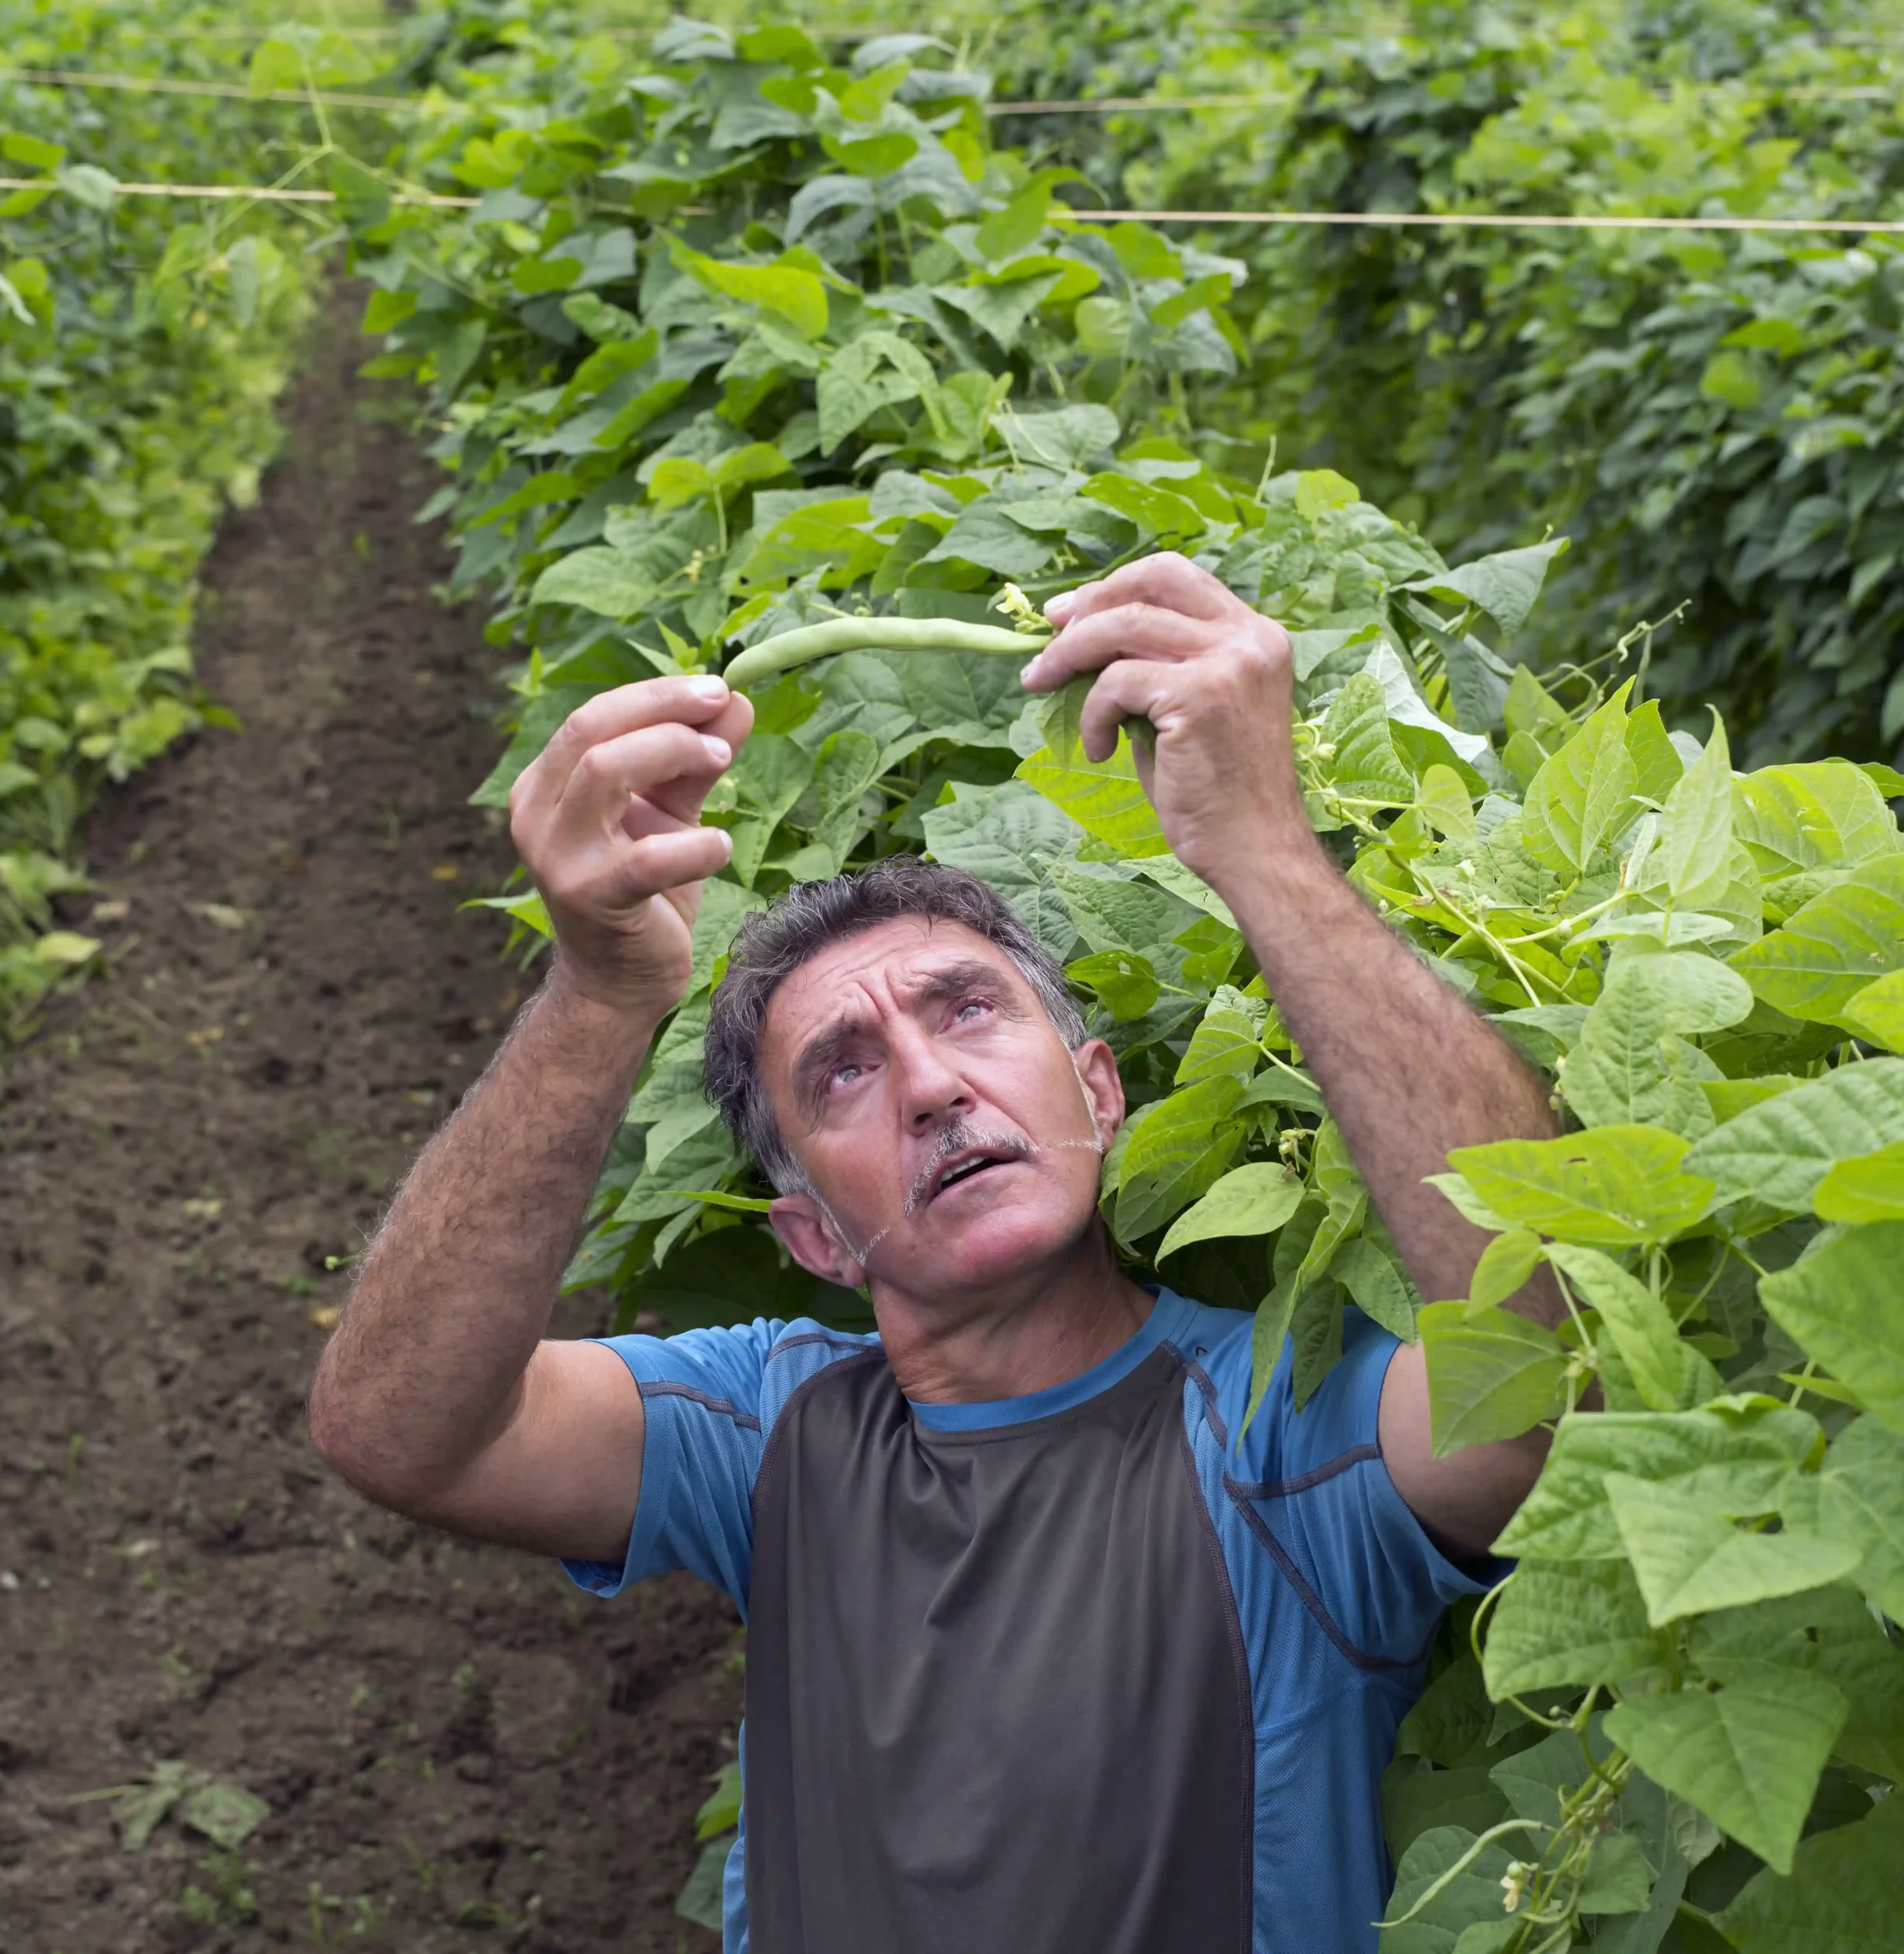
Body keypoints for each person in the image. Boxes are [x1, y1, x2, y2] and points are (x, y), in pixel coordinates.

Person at [309, 554, 1567, 1954]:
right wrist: (600, 992)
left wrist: (1266, 847)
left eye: (969, 1009)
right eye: (842, 1071)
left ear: (1100, 1093)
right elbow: (402, 1429)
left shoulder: (1283, 1434)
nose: (928, 1084)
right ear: (814, 1237)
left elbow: (1538, 1390)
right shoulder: (772, 1435)